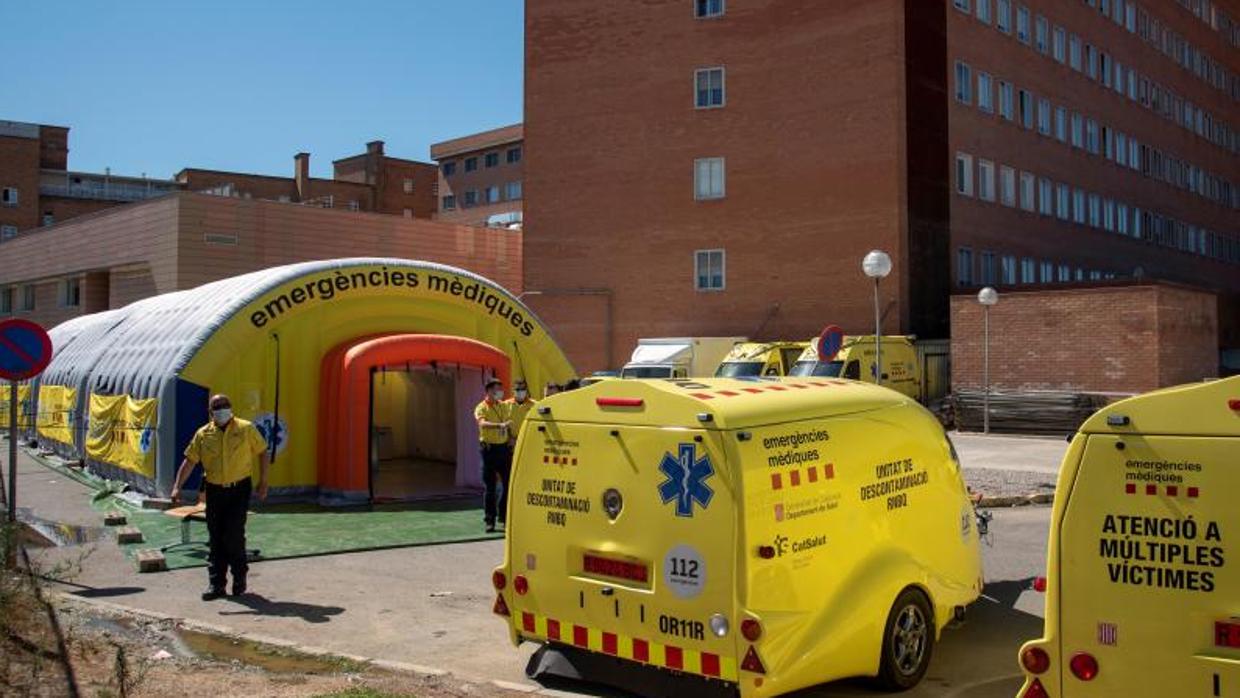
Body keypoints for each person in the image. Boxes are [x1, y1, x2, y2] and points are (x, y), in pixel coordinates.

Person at [170, 394, 270, 600]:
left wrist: (263, 481)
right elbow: (189, 461)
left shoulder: (245, 428)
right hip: (214, 491)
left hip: (239, 489)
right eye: (217, 406)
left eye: (225, 405)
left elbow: (263, 452)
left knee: (233, 534)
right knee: (215, 537)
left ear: (231, 407)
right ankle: (216, 584)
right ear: (210, 412)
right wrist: (177, 487)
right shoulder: (203, 434)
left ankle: (239, 579)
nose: (221, 409)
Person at [475, 379, 512, 533]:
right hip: (489, 450)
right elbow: (482, 423)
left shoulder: (503, 406)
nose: (499, 393)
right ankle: (490, 520)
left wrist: (509, 436)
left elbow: (508, 422)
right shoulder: (481, 407)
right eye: (496, 390)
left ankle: (503, 518)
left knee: (507, 484)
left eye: (500, 389)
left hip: (503, 449)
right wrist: (499, 426)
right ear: (489, 391)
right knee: (490, 487)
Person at [505, 380, 537, 449]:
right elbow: (502, 422)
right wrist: (510, 438)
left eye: (522, 389)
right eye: (517, 389)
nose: (520, 392)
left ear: (526, 391)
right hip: (510, 443)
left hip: (528, 441)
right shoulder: (506, 404)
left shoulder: (534, 404)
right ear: (513, 390)